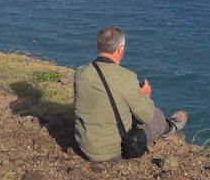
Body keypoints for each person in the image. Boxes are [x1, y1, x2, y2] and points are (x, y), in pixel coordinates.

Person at [73, 26, 188, 162]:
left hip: (84, 146)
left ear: (98, 46)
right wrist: (144, 96)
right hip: (112, 152)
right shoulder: (127, 78)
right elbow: (146, 116)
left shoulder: (81, 72)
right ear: (120, 49)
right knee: (155, 115)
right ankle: (171, 126)